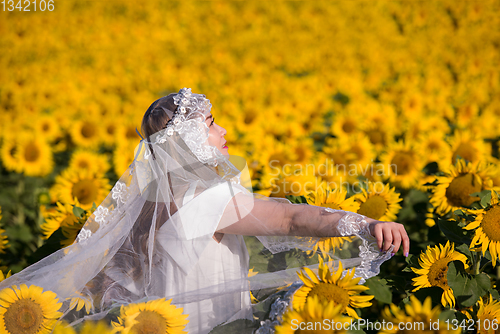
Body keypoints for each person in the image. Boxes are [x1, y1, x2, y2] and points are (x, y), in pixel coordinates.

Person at [0, 88, 409, 334]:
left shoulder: (151, 203)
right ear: (190, 141)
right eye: (212, 124)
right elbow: (289, 218)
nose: (223, 131)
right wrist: (367, 223)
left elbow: (114, 282)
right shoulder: (205, 201)